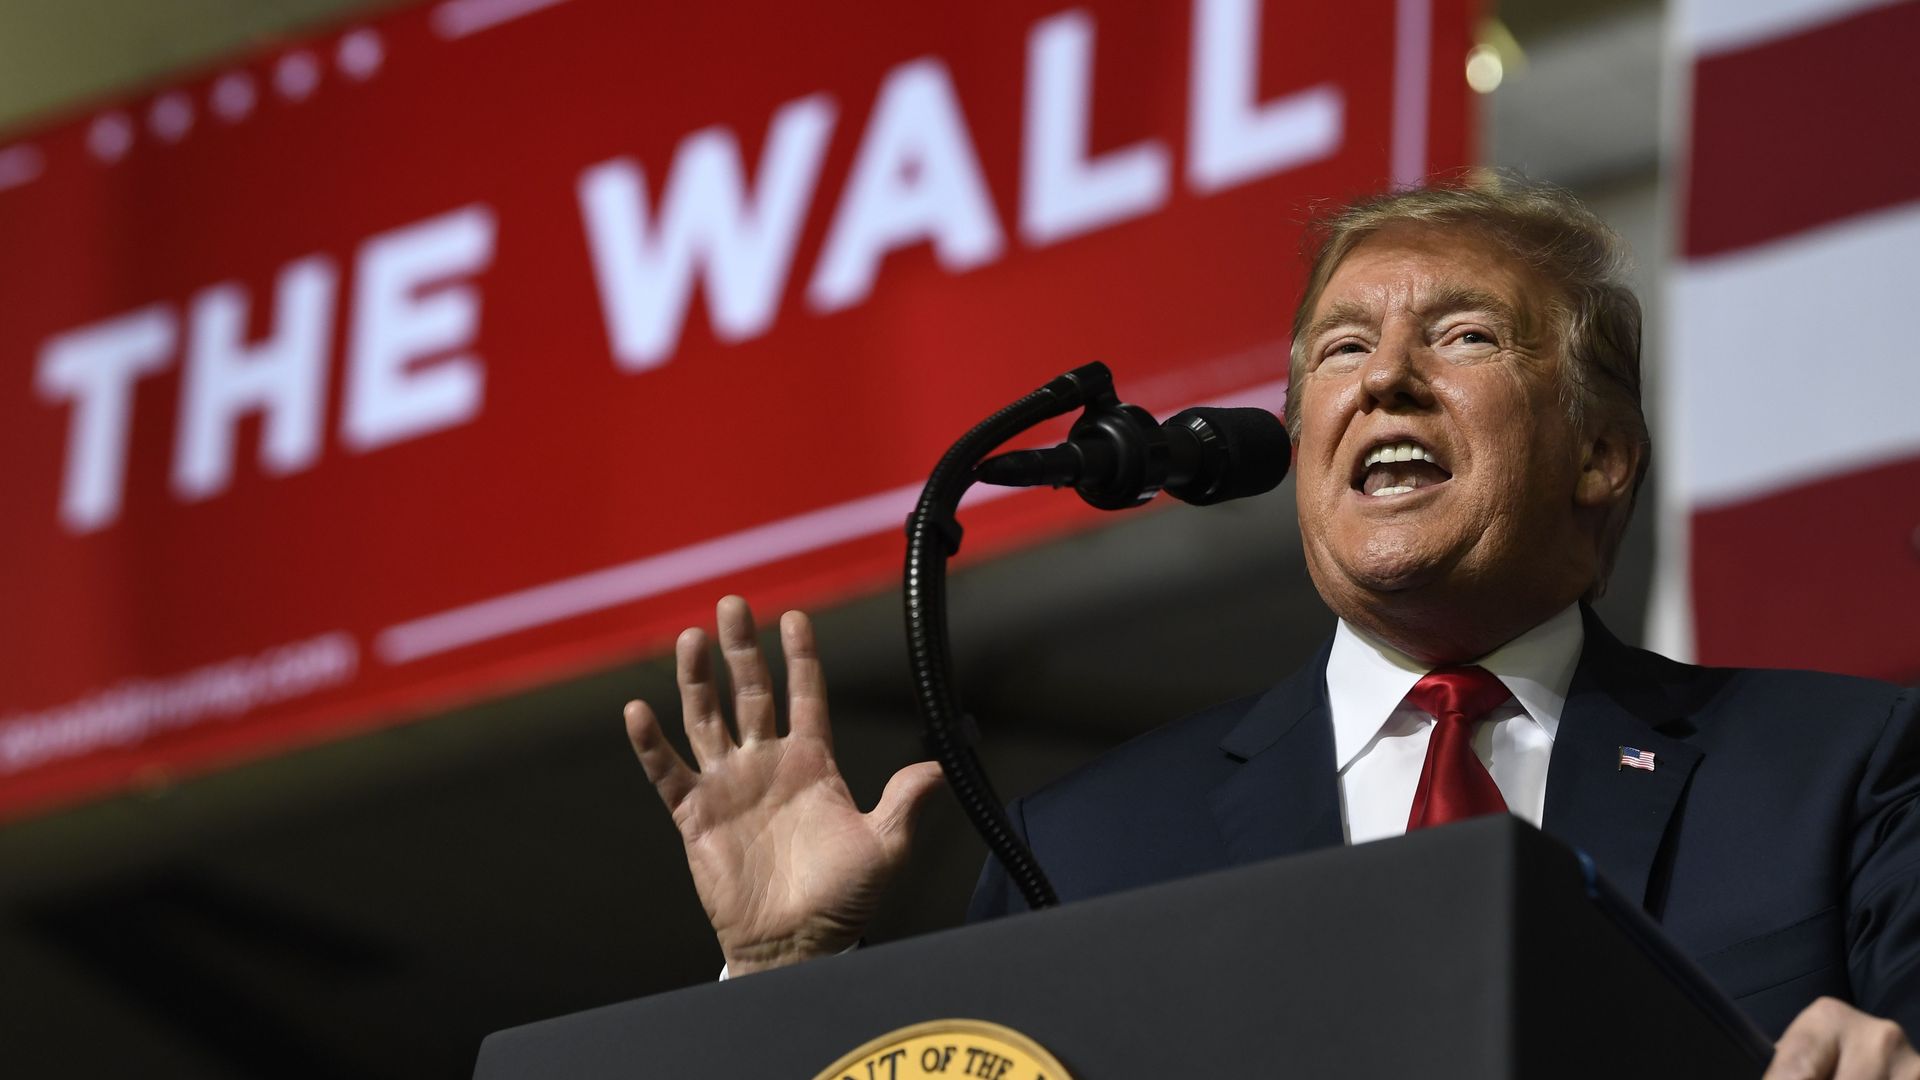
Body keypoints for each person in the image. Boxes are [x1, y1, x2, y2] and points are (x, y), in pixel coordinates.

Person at [621, 179, 1920, 1080]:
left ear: (1602, 455)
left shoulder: (1841, 769)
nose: (1385, 379)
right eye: (1340, 350)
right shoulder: (1094, 844)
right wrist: (786, 979)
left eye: (1464, 334)